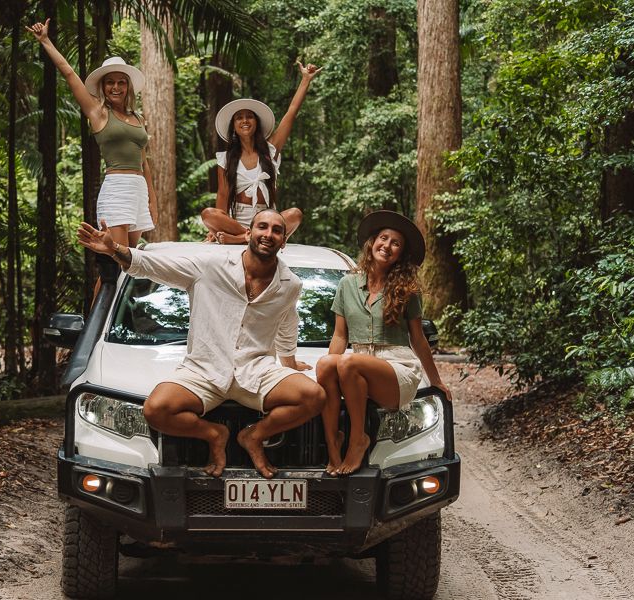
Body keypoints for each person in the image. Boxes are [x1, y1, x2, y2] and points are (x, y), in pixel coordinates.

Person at [76, 208, 326, 479]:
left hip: (256, 369)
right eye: (262, 227)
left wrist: (288, 364)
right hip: (204, 369)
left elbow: (287, 322)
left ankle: (254, 437)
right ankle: (214, 434)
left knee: (314, 397)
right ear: (248, 233)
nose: (269, 234)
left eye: (277, 230)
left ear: (283, 240)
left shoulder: (290, 284)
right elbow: (153, 266)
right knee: (156, 409)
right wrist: (114, 249)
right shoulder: (210, 267)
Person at [317, 210, 452, 476]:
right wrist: (328, 370)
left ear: (401, 254)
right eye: (383, 238)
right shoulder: (347, 284)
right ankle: (334, 447)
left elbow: (418, 338)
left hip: (396, 366)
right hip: (355, 365)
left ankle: (358, 440)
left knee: (347, 363)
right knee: (324, 365)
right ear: (372, 242)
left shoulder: (406, 290)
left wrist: (436, 380)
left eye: (396, 243)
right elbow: (340, 337)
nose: (387, 246)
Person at [27, 19, 157, 287]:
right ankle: (95, 329)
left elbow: (144, 164)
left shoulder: (137, 117)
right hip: (118, 189)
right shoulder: (98, 112)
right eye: (111, 83)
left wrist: (151, 202)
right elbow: (69, 74)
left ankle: (119, 326)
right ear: (103, 86)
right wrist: (46, 41)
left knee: (133, 268)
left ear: (128, 86)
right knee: (114, 270)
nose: (116, 87)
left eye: (122, 82)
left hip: (137, 191)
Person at [201, 62, 322, 244]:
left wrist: (305, 80)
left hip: (267, 220)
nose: (245, 120)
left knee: (295, 214)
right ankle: (249, 236)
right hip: (237, 221)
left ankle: (242, 239)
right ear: (234, 126)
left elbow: (291, 113)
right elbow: (223, 195)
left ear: (256, 122)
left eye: (249, 116)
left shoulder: (270, 149)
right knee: (208, 214)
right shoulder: (226, 158)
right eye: (239, 117)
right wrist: (217, 227)